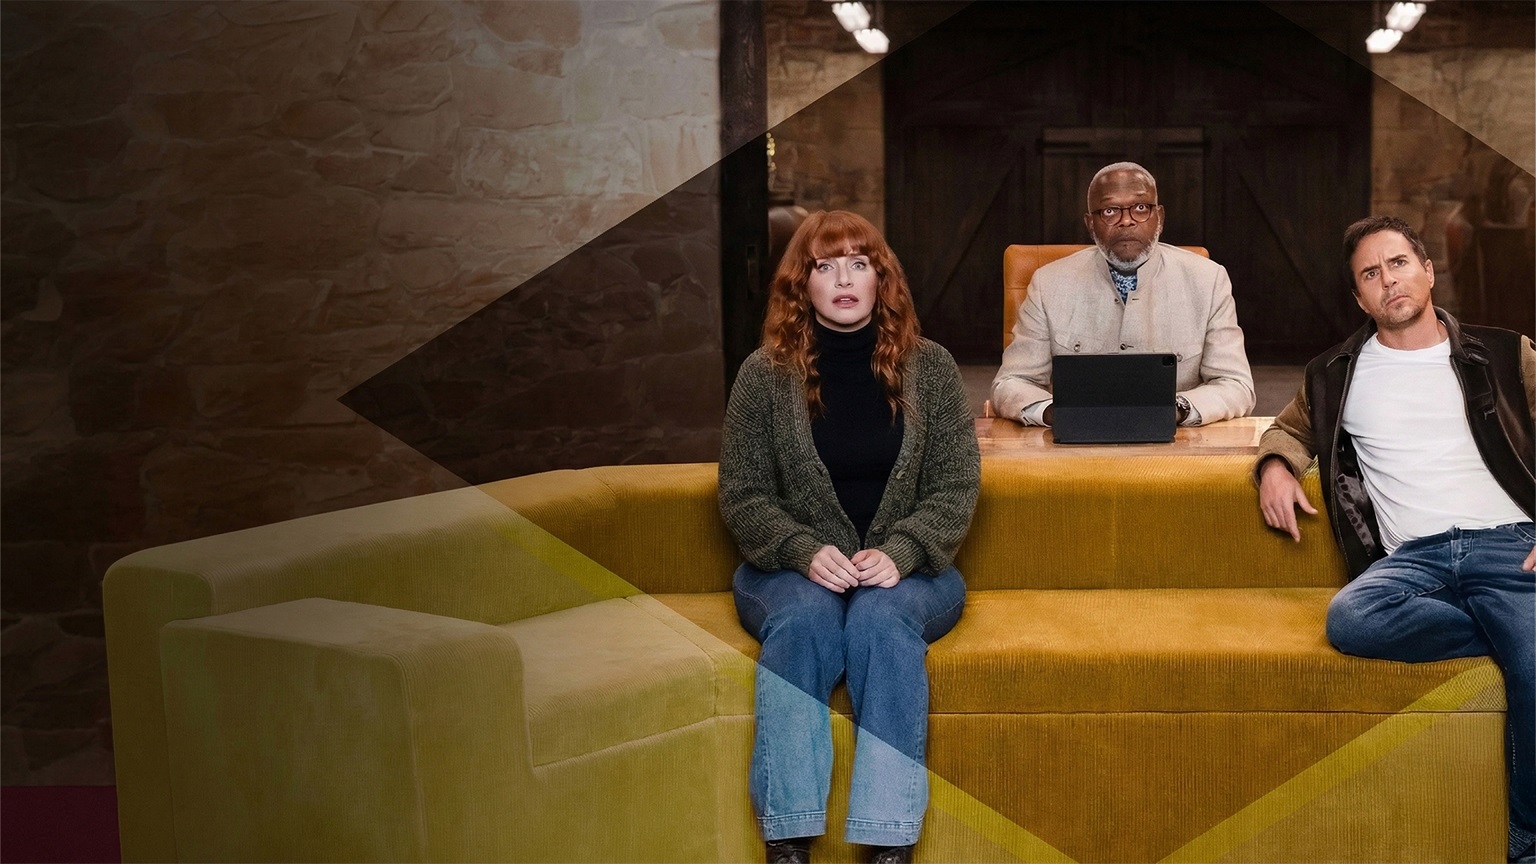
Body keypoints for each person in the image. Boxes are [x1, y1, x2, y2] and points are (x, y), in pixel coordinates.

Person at [1255, 215, 1534, 863]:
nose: (1389, 281)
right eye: (1371, 274)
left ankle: (1527, 841)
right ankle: (1509, 630)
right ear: (1359, 298)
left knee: (1535, 669)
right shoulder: (1335, 373)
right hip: (1415, 562)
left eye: (1399, 263)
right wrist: (1273, 466)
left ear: (1428, 271)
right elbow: (1287, 430)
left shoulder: (1505, 352)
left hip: (1510, 542)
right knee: (1351, 618)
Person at [718, 210, 980, 864]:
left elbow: (955, 484)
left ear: (880, 279)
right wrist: (803, 552)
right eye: (825, 266)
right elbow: (743, 495)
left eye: (858, 264)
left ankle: (888, 844)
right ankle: (788, 840)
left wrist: (902, 552)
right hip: (786, 571)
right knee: (805, 621)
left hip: (913, 572)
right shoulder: (763, 375)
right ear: (801, 284)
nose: (842, 279)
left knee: (879, 621)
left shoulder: (932, 368)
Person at [991, 161, 1255, 426]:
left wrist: (1174, 410)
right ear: (1090, 224)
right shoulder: (1048, 283)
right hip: (1077, 441)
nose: (1126, 221)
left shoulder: (1208, 280)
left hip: (1177, 442)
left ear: (1160, 217)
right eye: (1110, 211)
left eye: (1140, 208)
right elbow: (1012, 382)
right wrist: (1058, 413)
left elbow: (1235, 384)